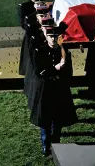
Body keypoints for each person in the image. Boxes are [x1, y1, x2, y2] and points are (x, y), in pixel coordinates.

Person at [28, 22, 77, 155]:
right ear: (46, 37)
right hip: (46, 89)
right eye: (51, 37)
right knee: (45, 120)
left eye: (55, 37)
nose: (53, 39)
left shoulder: (63, 52)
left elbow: (69, 72)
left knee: (58, 119)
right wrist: (55, 68)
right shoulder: (40, 51)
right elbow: (39, 71)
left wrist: (62, 73)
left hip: (59, 89)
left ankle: (56, 144)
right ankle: (46, 145)